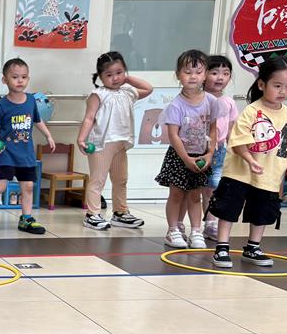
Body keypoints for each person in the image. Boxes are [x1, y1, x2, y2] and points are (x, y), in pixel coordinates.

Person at [208, 56, 287, 268]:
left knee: (262, 210)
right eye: (277, 85)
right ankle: (222, 247)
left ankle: (253, 247)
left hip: (269, 175)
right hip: (239, 173)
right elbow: (238, 141)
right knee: (229, 207)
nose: (283, 91)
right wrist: (250, 160)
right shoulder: (252, 111)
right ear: (262, 85)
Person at [0, 58, 55, 234]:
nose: (20, 81)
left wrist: (48, 135)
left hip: (26, 154)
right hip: (6, 153)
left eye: (24, 77)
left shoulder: (31, 100)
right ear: (5, 80)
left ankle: (26, 218)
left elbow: (37, 120)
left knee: (28, 186)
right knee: (0, 187)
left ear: (28, 79)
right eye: (15, 77)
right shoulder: (1, 105)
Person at [76, 51, 152, 230]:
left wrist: (128, 79)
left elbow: (149, 89)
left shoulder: (128, 92)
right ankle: (92, 215)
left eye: (119, 72)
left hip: (121, 143)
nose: (115, 78)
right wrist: (81, 139)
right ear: (100, 76)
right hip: (101, 144)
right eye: (109, 75)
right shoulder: (98, 94)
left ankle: (120, 213)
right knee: (98, 180)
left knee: (121, 179)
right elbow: (89, 118)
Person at [155, 49, 219, 250]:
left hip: (201, 155)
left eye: (198, 72)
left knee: (194, 195)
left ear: (205, 74)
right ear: (178, 75)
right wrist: (185, 159)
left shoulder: (211, 101)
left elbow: (213, 128)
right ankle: (173, 230)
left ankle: (197, 231)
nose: (193, 76)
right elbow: (173, 135)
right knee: (176, 195)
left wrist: (210, 153)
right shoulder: (176, 105)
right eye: (187, 72)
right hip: (179, 156)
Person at [201, 54, 239, 239]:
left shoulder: (229, 102)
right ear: (204, 75)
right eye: (215, 72)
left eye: (225, 73)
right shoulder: (200, 99)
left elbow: (231, 128)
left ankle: (210, 223)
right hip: (200, 149)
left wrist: (233, 150)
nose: (220, 77)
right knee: (193, 190)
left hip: (220, 150)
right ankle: (182, 225)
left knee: (213, 188)